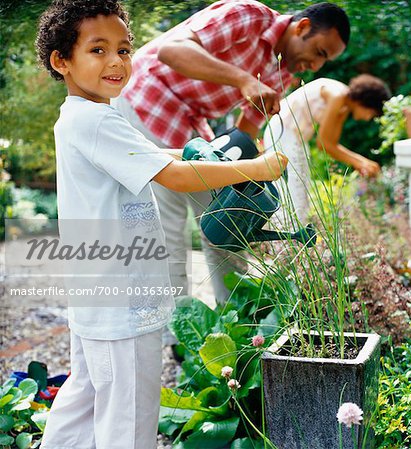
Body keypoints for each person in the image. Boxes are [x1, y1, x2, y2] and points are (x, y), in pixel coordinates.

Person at [35, 1, 287, 448]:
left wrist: (196, 149)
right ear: (62, 61)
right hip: (123, 302)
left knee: (86, 395)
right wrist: (258, 168)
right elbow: (172, 176)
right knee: (129, 412)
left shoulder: (85, 117)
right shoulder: (95, 122)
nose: (116, 61)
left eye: (125, 49)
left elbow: (162, 157)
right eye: (98, 50)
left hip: (99, 295)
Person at [114, 0, 351, 306]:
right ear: (302, 27)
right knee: (168, 224)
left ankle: (238, 318)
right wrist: (244, 80)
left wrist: (242, 187)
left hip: (191, 123)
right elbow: (170, 50)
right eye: (319, 52)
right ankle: (173, 329)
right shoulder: (249, 16)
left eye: (325, 61)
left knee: (226, 223)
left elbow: (246, 130)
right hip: (149, 100)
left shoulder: (283, 72)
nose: (317, 66)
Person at [263, 75, 391, 222]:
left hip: (296, 138)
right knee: (291, 190)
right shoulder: (337, 95)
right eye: (371, 113)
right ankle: (285, 238)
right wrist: (360, 163)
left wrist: (362, 162)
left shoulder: (343, 107)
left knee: (302, 189)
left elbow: (330, 146)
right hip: (283, 132)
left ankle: (295, 235)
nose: (368, 118)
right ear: (366, 102)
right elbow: (322, 142)